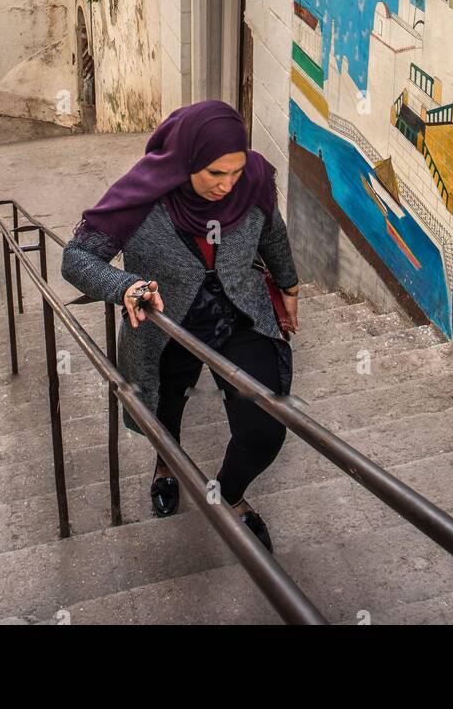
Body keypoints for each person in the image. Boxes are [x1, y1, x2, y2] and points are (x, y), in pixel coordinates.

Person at [61, 99, 301, 552]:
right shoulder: (144, 192)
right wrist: (126, 286)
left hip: (240, 316)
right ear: (187, 159)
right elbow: (76, 259)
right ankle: (166, 466)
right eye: (214, 174)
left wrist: (289, 286)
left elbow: (272, 232)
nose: (228, 185)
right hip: (166, 325)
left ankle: (227, 496)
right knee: (166, 409)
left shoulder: (253, 179)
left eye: (235, 171)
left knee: (265, 428)